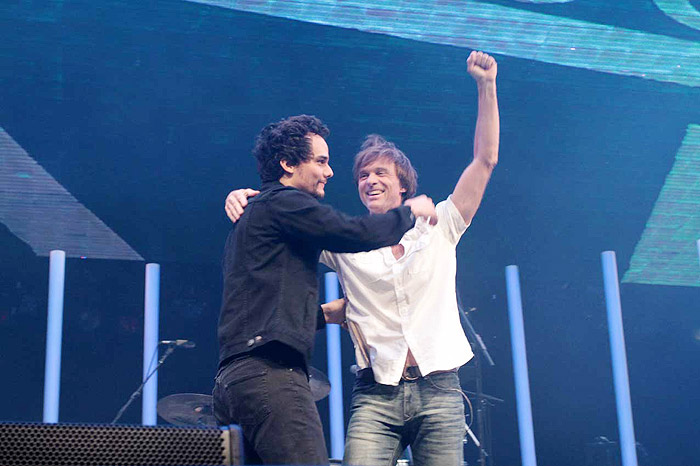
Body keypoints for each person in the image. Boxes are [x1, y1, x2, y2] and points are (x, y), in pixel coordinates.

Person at [225, 50, 499, 466]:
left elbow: (485, 160)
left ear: (404, 186)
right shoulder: (344, 242)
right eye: (363, 176)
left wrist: (486, 86)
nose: (369, 181)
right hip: (376, 395)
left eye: (380, 174)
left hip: (440, 389)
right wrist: (247, 195)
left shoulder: (440, 223)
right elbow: (279, 233)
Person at [212, 114, 438, 465]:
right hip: (270, 377)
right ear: (287, 164)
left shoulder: (256, 213)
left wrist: (322, 315)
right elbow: (353, 233)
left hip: (232, 382)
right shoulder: (285, 203)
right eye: (320, 161)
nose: (329, 172)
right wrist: (408, 213)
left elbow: (262, 301)